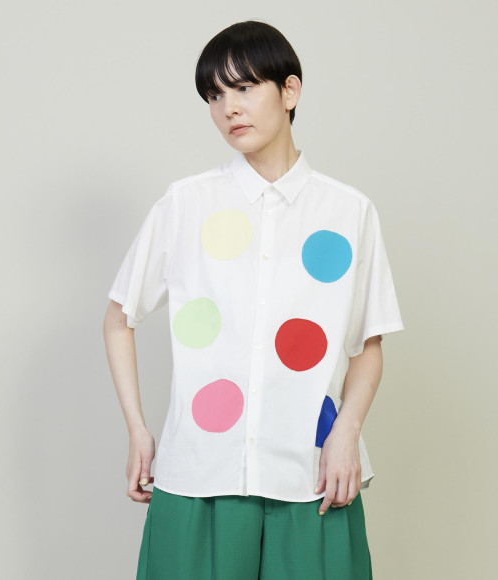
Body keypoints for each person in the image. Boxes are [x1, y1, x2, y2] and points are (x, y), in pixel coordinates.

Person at [103, 20, 404, 580]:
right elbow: (120, 317)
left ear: (290, 91)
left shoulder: (349, 212)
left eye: (244, 87)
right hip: (201, 469)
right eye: (214, 95)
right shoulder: (185, 204)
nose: (229, 109)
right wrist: (138, 429)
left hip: (311, 470)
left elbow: (368, 342)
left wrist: (347, 433)